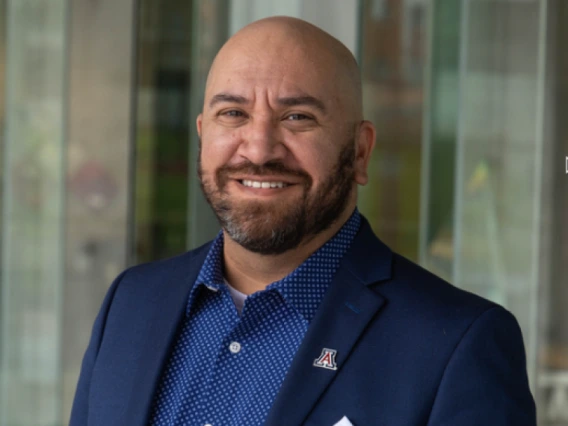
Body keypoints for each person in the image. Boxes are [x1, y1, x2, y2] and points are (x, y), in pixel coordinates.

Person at [70, 16, 536, 426]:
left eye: (297, 117)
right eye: (232, 114)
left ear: (359, 150)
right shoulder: (129, 305)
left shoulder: (456, 346)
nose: (257, 149)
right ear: (202, 134)